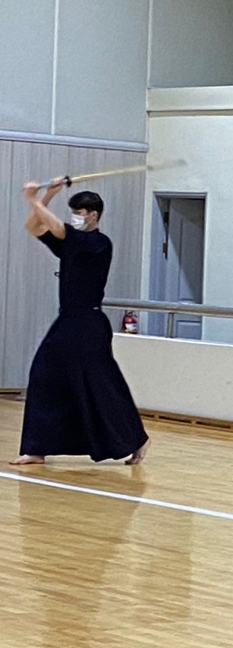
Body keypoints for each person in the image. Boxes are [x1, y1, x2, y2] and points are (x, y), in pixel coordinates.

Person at [12, 182, 150, 467]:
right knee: (45, 375)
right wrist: (46, 196)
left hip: (89, 323)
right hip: (68, 320)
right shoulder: (71, 242)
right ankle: (37, 448)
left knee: (102, 383)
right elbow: (34, 227)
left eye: (79, 212)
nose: (75, 216)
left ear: (94, 215)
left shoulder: (98, 244)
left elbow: (59, 228)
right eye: (73, 212)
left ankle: (137, 439)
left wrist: (33, 199)